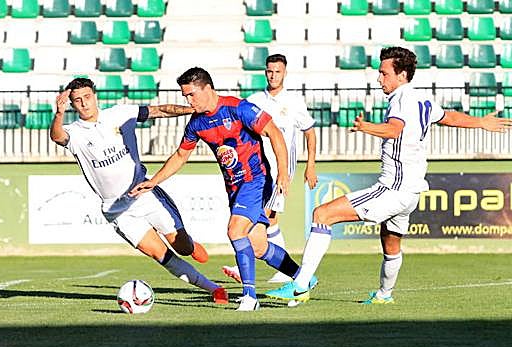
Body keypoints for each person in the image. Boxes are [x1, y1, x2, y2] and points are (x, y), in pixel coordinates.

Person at [266, 46, 512, 304]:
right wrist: (480, 122)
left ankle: (300, 286)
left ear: (402, 75)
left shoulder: (401, 100)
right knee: (391, 244)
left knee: (321, 215)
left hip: (392, 189)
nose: (379, 79)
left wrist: (366, 127)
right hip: (412, 192)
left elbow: (395, 130)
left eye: (384, 73)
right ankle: (384, 295)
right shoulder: (423, 99)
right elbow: (448, 117)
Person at [130, 67, 308, 311]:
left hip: (256, 180)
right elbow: (181, 155)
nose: (188, 101)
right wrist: (155, 181)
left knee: (235, 231)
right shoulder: (197, 123)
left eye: (191, 95)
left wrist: (284, 174)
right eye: (185, 96)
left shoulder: (238, 108)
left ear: (207, 88)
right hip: (234, 187)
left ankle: (250, 297)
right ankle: (304, 278)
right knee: (257, 245)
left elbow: (274, 133)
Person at [49, 77, 228, 305]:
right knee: (160, 254)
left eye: (87, 97)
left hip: (143, 194)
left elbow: (160, 111)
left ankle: (189, 245)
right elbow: (57, 136)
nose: (83, 103)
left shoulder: (120, 114)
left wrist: (191, 109)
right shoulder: (74, 132)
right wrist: (58, 113)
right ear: (72, 104)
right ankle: (214, 288)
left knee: (181, 246)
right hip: (117, 210)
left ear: (95, 96)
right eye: (77, 100)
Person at [222, 53, 319, 284]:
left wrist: (311, 165)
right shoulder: (255, 100)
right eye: (269, 71)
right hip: (256, 168)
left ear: (285, 73)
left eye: (277, 71)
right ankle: (285, 270)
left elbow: (310, 132)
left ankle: (253, 264)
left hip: (279, 170)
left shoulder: (294, 102)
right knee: (269, 218)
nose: (273, 75)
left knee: (264, 215)